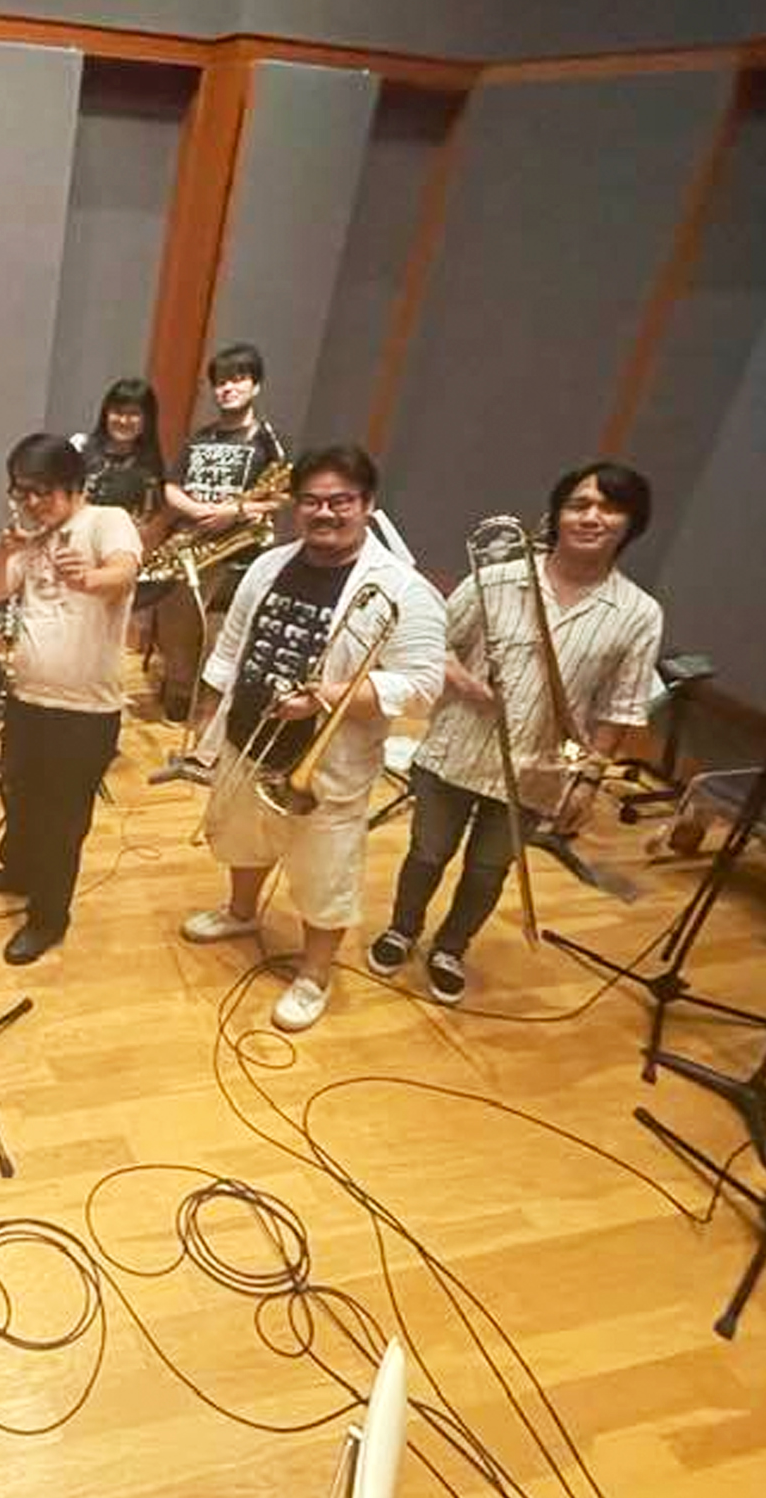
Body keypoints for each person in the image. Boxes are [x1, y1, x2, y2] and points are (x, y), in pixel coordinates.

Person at [369, 463, 663, 1002]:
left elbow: (619, 709)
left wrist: (588, 780)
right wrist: (466, 683)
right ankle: (402, 929)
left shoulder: (639, 613)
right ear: (556, 514)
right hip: (455, 747)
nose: (591, 517)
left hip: (537, 768)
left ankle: (451, 947)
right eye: (578, 504)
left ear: (632, 523)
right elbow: (436, 643)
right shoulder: (497, 577)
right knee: (427, 853)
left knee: (488, 870)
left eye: (609, 508)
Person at [181, 444, 445, 1034]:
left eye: (340, 501)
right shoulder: (269, 565)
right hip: (251, 735)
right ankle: (241, 912)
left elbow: (424, 685)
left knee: (325, 872)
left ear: (368, 504)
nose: (324, 513)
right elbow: (234, 644)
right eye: (311, 501)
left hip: (325, 760)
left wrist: (328, 695)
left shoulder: (404, 589)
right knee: (243, 836)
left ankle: (314, 974)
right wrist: (209, 711)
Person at [0, 433, 143, 965]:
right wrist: (6, 549)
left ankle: (48, 918)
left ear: (73, 484)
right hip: (28, 697)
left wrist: (88, 577)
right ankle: (19, 871)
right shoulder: (30, 536)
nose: (31, 502)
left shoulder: (106, 520)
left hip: (85, 710)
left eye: (42, 491)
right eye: (21, 491)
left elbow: (125, 572)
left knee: (62, 820)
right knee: (18, 794)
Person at [154, 343, 288, 720]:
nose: (228, 388)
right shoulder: (201, 438)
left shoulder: (267, 440)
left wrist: (234, 512)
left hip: (239, 550)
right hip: (192, 545)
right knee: (178, 622)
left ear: (256, 385)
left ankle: (211, 701)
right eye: (221, 382)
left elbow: (283, 495)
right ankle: (180, 689)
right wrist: (196, 510)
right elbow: (170, 486)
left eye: (238, 379)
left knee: (221, 632)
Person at [75, 377, 167, 541]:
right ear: (105, 414)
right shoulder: (80, 449)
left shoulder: (151, 467)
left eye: (134, 414)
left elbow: (152, 521)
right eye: (117, 412)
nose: (124, 421)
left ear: (147, 419)